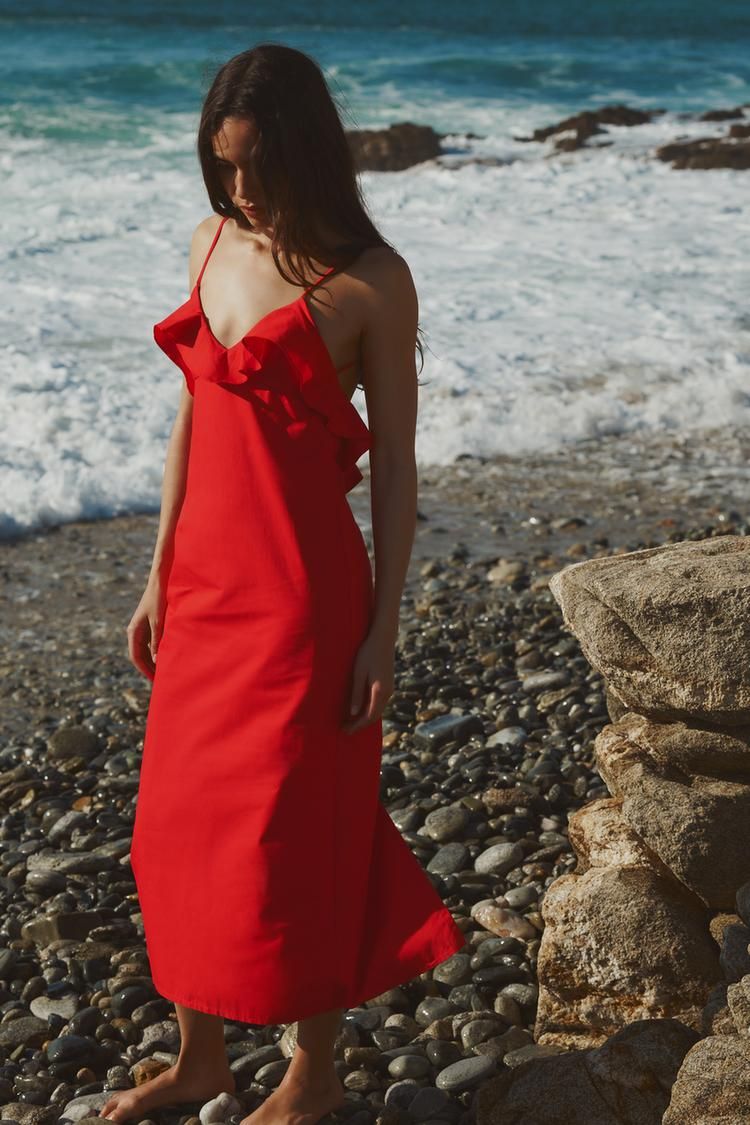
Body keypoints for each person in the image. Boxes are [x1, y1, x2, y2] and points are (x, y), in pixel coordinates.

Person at [109, 42, 465, 1125]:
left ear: (306, 152)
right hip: (206, 585)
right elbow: (194, 412)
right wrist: (158, 569)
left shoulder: (372, 282)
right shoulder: (211, 240)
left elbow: (398, 463)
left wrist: (383, 630)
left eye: (258, 164)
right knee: (174, 826)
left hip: (305, 598)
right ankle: (203, 1056)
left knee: (301, 826)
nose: (241, 189)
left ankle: (315, 1074)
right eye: (224, 167)